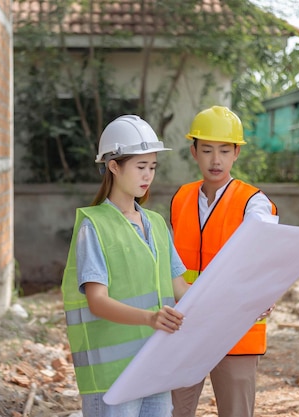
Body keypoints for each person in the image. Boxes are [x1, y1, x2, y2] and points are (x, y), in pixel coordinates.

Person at [61, 114, 189, 417]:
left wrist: (241, 303)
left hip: (155, 365)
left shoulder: (156, 224)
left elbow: (181, 289)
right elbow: (97, 301)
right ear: (114, 166)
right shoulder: (94, 226)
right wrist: (150, 318)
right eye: (141, 167)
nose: (148, 176)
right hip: (112, 377)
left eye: (153, 167)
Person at [170, 106, 277, 417]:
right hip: (187, 326)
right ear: (194, 152)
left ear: (236, 154)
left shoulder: (253, 202)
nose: (215, 160)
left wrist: (265, 290)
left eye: (223, 151)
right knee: (173, 410)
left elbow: (269, 249)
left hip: (237, 329)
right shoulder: (181, 198)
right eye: (206, 150)